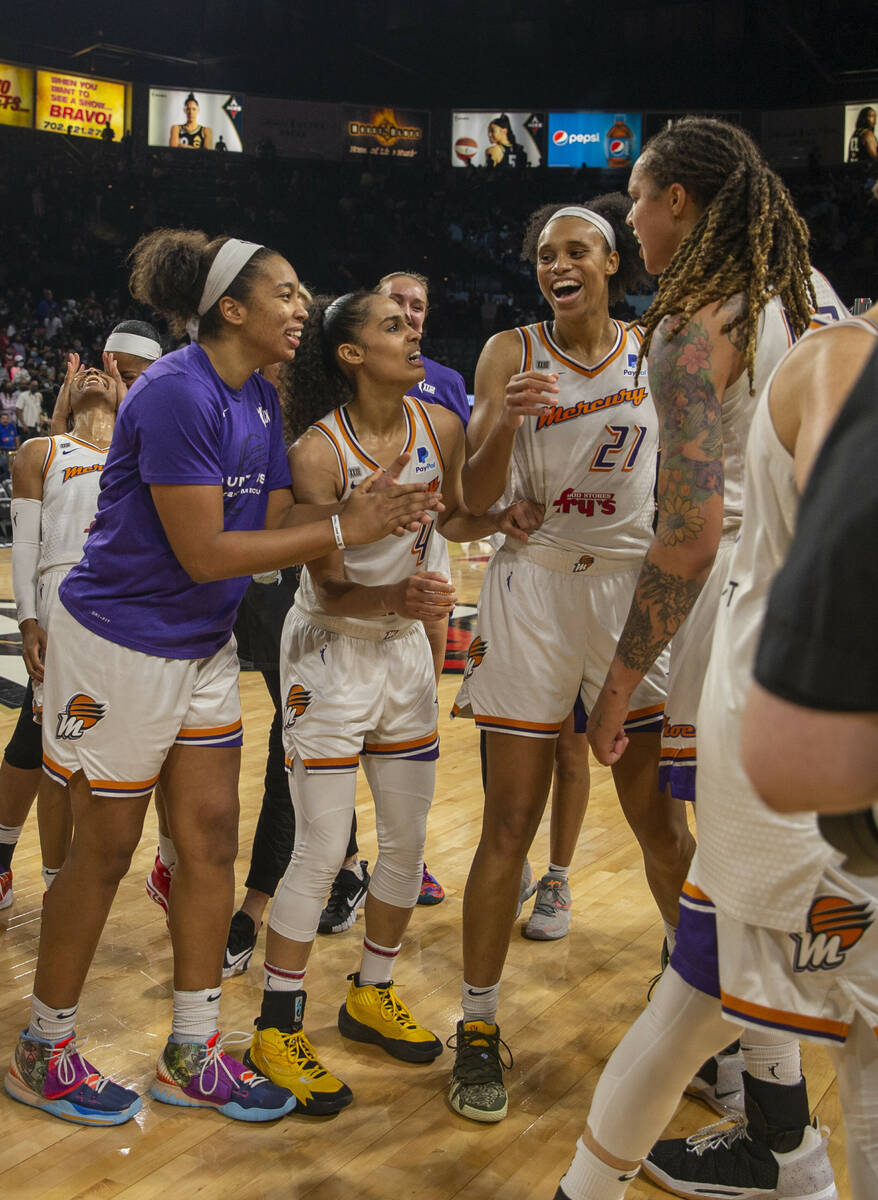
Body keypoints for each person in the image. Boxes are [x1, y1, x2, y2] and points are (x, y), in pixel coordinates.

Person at [3, 230, 439, 1127]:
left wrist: (363, 511)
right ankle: (44, 1048)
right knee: (108, 850)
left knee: (207, 842)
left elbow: (276, 511)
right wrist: (345, 529)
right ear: (230, 309)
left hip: (198, 646)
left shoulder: (260, 398)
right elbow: (206, 552)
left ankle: (193, 1049)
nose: (301, 309)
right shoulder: (173, 392)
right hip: (118, 643)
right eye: (285, 293)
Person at [555, 117, 834, 1200]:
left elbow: (686, 532)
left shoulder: (690, 324)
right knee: (760, 912)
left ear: (679, 200)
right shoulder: (810, 294)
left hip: (748, 628)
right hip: (835, 631)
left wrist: (619, 683)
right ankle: (779, 1145)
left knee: (727, 916)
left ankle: (781, 1159)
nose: (628, 216)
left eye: (634, 196)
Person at [242, 289, 540, 1114]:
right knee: (322, 844)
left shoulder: (438, 427)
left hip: (406, 652)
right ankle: (277, 1023)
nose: (412, 332)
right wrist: (394, 592)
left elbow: (457, 516)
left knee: (407, 846)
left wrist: (499, 519)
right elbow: (330, 583)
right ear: (350, 354)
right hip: (332, 653)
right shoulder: (316, 452)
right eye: (390, 326)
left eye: (410, 324)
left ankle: (371, 992)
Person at [447, 194, 690, 1123]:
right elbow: (469, 499)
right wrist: (503, 423)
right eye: (547, 251)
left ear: (612, 263)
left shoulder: (657, 345)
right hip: (536, 585)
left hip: (629, 589)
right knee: (507, 820)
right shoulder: (511, 352)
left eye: (580, 248)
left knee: (657, 822)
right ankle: (477, 1028)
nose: (562, 263)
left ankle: (695, 993)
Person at [0, 324, 162, 913]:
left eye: (113, 373)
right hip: (61, 603)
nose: (98, 373)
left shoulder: (141, 452)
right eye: (89, 370)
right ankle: (52, 883)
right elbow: (24, 545)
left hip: (127, 604)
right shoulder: (42, 452)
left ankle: (149, 862)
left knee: (112, 746)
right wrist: (26, 621)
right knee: (54, 751)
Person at [374, 269, 470, 905]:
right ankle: (346, 858)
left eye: (418, 305)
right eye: (396, 303)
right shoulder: (342, 364)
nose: (408, 313)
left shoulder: (449, 383)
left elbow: (462, 480)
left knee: (415, 721)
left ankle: (411, 855)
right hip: (351, 559)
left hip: (423, 552)